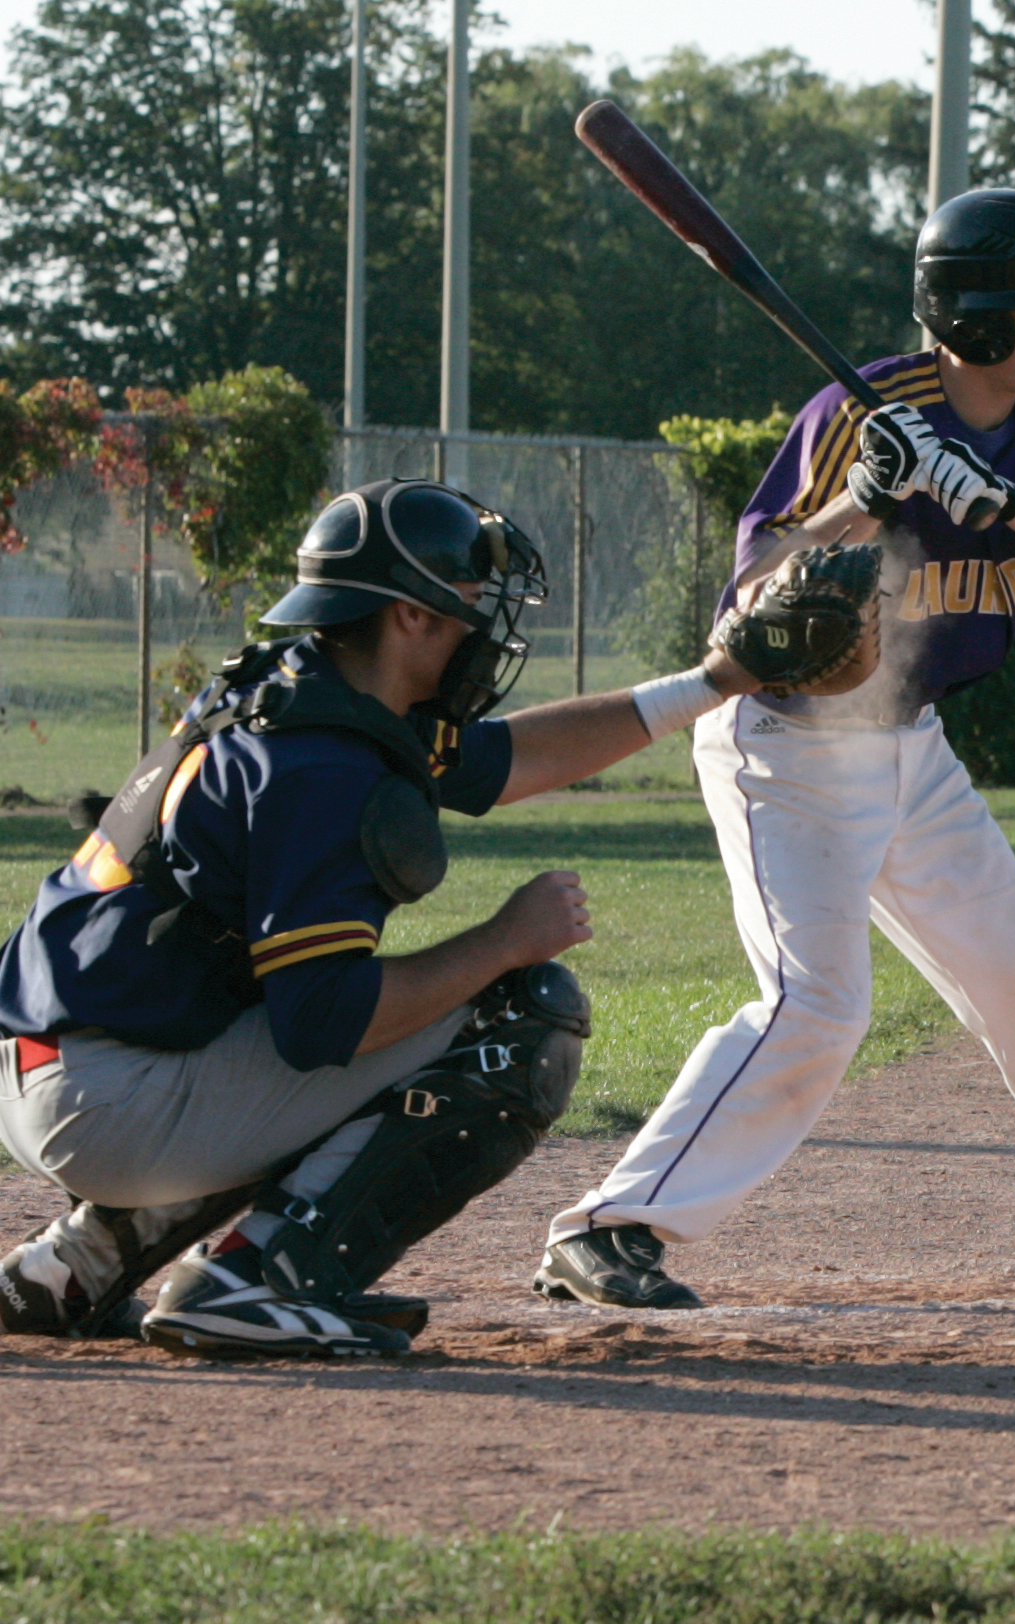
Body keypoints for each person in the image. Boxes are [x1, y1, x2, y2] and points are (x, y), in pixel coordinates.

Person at [534, 188, 1015, 1311]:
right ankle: (611, 1224)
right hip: (787, 742)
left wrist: (1004, 499)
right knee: (819, 1004)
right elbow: (754, 588)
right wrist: (864, 499)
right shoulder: (861, 412)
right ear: (973, 320)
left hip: (909, 738)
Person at [0, 479, 873, 1357]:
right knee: (520, 1012)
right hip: (111, 1096)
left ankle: (76, 1265)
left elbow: (511, 757)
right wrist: (504, 939)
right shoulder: (323, 771)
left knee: (333, 1017)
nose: (482, 628)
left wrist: (718, 680)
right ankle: (253, 1280)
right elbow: (323, 1023)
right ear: (406, 619)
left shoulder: (298, 688)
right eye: (464, 604)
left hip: (62, 1064)